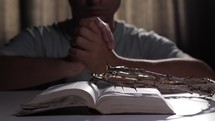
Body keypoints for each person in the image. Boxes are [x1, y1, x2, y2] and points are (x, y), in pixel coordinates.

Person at [0, 0, 214, 90]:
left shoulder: (142, 41)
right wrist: (70, 64)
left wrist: (112, 64)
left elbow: (206, 78)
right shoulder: (40, 37)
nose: (95, 0)